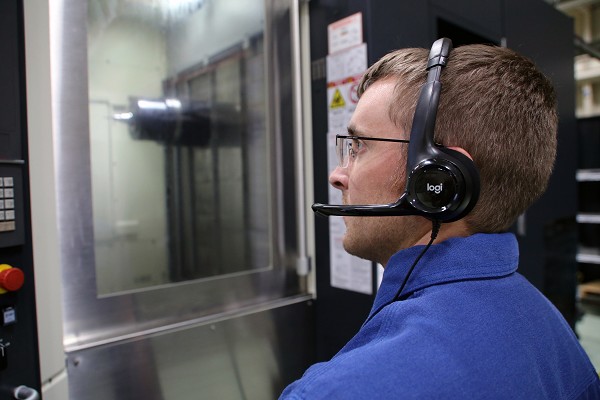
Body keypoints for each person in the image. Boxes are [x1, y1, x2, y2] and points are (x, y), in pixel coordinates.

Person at [280, 40, 600, 399]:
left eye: (359, 146)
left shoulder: (335, 391)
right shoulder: (557, 337)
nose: (337, 176)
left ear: (438, 180)